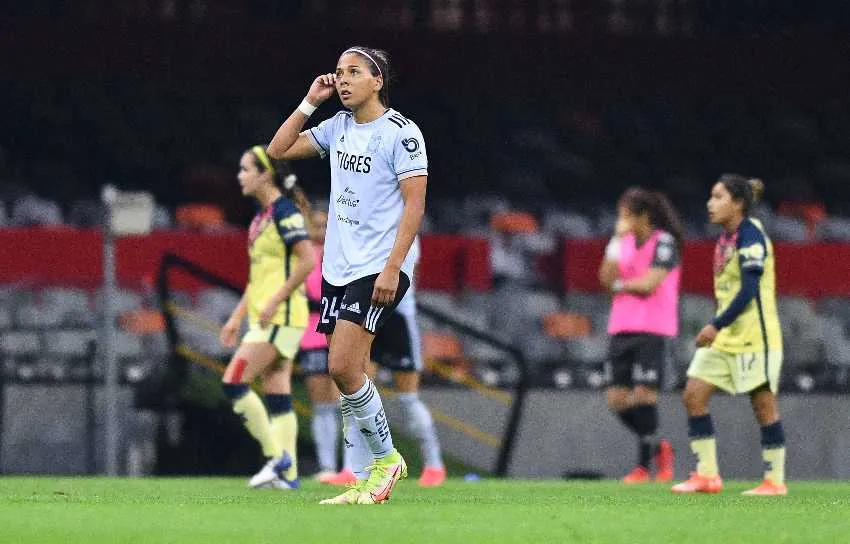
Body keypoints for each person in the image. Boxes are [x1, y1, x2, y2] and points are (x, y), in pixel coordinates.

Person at [266, 45, 428, 504]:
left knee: (341, 366)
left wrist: (394, 267)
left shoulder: (401, 133)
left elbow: (415, 204)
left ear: (378, 81)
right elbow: (277, 150)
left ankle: (387, 461)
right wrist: (309, 102)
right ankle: (366, 475)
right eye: (339, 72)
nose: (343, 79)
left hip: (378, 266)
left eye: (354, 72)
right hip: (338, 266)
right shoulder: (336, 127)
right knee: (349, 372)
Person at [672, 175, 786, 496]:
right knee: (693, 394)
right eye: (711, 196)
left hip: (755, 337)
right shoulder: (726, 238)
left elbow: (749, 290)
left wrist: (715, 324)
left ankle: (774, 482)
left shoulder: (751, 237)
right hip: (725, 336)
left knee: (763, 407)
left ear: (737, 203)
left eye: (718, 197)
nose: (710, 203)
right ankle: (707, 476)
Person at [219, 147, 315, 489]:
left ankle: (277, 458)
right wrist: (235, 317)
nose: (239, 176)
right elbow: (257, 277)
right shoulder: (260, 219)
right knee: (277, 390)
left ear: (265, 174)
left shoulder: (285, 213)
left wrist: (276, 300)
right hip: (265, 318)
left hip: (282, 317)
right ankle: (287, 476)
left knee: (234, 381)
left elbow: (308, 260)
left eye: (245, 169)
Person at [324, 242, 446, 488]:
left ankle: (434, 464)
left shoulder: (405, 234)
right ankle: (353, 467)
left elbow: (411, 272)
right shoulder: (371, 227)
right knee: (355, 391)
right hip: (366, 310)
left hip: (398, 318)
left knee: (408, 398)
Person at [598, 187, 681, 484]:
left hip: (652, 327)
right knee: (616, 400)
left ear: (643, 216)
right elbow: (605, 279)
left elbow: (649, 284)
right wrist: (615, 243)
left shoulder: (665, 243)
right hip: (621, 325)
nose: (621, 221)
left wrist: (620, 286)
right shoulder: (623, 243)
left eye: (625, 215)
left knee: (645, 395)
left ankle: (643, 468)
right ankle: (661, 448)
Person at [294, 210, 342, 481]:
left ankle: (352, 465)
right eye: (316, 225)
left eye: (325, 225)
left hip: (340, 334)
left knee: (342, 400)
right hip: (312, 335)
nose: (321, 229)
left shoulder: (340, 251)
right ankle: (326, 466)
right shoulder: (301, 257)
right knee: (320, 401)